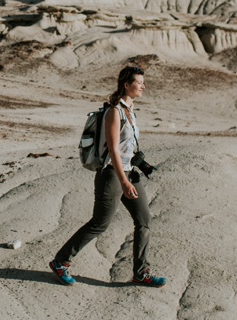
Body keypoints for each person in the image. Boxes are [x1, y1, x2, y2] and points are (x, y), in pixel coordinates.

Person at [49, 65, 166, 287]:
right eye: (139, 82)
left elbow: (126, 148)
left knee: (144, 220)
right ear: (126, 84)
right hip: (112, 174)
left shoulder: (131, 112)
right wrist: (123, 182)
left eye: (143, 82)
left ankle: (141, 272)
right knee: (100, 223)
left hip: (129, 172)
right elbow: (113, 150)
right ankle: (60, 262)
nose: (143, 86)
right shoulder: (114, 112)